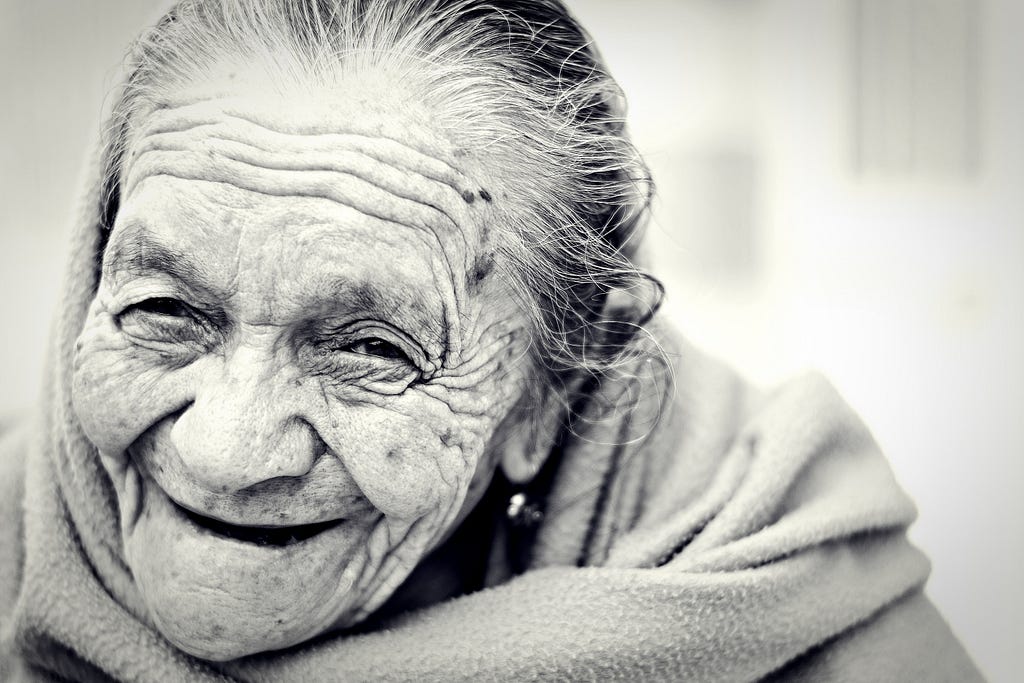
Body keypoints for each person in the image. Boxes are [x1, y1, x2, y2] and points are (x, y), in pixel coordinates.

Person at [0, 1, 982, 680]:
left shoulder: (791, 616)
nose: (223, 448)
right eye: (164, 310)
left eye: (371, 349)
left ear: (545, 395)